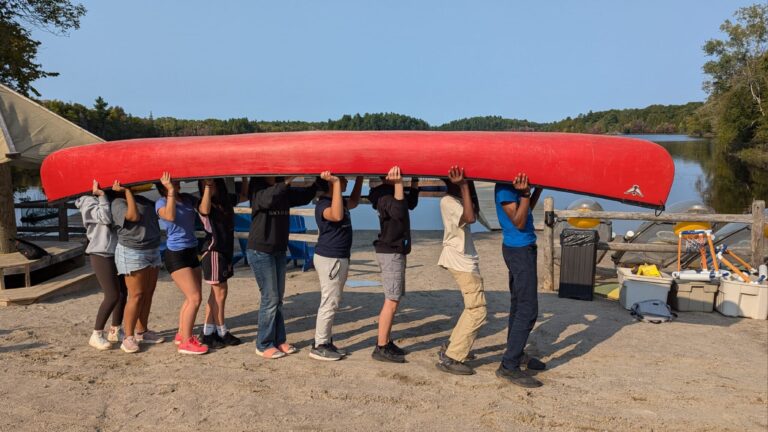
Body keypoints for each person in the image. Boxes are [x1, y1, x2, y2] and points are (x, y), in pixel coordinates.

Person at [245, 176, 318, 359]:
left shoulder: (282, 189)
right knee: (270, 299)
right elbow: (268, 200)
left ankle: (278, 340)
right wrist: (286, 181)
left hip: (278, 250)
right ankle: (263, 344)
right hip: (260, 251)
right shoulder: (258, 189)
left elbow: (303, 196)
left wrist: (318, 182)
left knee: (278, 299)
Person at [494, 173, 547, 387]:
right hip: (518, 251)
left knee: (518, 305)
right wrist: (525, 194)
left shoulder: (514, 185)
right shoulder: (505, 187)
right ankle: (509, 366)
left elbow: (526, 211)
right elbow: (518, 222)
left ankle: (516, 352)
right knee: (528, 309)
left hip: (523, 248)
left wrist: (537, 189)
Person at [435, 166, 486, 375]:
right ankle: (452, 357)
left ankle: (451, 346)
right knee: (477, 310)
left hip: (463, 259)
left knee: (471, 307)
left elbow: (475, 211)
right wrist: (464, 185)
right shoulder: (447, 201)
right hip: (460, 261)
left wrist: (468, 185)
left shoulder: (458, 200)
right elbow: (470, 218)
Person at [309, 172, 363, 361]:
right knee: (329, 302)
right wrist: (335, 182)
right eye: (342, 178)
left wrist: (360, 177)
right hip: (330, 259)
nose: (346, 180)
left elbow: (354, 201)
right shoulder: (323, 205)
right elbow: (337, 215)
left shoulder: (339, 201)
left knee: (333, 301)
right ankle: (320, 345)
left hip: (338, 258)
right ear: (332, 183)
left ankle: (325, 340)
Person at [368, 166, 419, 363]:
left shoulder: (390, 192)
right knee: (391, 300)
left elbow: (409, 204)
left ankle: (386, 342)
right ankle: (381, 346)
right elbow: (398, 211)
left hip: (396, 251)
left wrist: (414, 181)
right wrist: (399, 183)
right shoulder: (383, 195)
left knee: (394, 298)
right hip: (390, 252)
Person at [111, 176, 166, 353]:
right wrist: (126, 191)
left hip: (152, 249)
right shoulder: (117, 203)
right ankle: (128, 337)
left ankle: (142, 331)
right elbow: (133, 216)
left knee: (148, 292)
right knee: (137, 294)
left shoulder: (143, 199)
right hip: (132, 251)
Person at [156, 175, 208, 355]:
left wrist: (208, 186)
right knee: (194, 298)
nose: (176, 183)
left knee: (192, 297)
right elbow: (169, 216)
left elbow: (204, 209)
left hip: (192, 250)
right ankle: (186, 342)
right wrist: (170, 191)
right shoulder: (161, 202)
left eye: (176, 181)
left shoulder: (186, 198)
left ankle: (181, 334)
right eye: (172, 181)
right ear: (163, 185)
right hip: (176, 254)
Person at [76, 180, 127, 351]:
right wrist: (102, 196)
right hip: (100, 253)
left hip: (117, 251)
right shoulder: (86, 201)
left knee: (122, 293)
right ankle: (96, 334)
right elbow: (104, 218)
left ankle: (115, 330)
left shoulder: (111, 198)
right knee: (112, 295)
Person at [197, 178, 242, 348]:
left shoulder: (225, 201)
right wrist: (208, 187)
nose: (207, 187)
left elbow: (244, 195)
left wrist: (245, 176)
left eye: (211, 184)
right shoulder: (203, 204)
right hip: (213, 252)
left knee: (215, 294)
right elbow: (204, 210)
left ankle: (208, 332)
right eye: (203, 185)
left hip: (224, 252)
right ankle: (222, 331)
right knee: (220, 293)